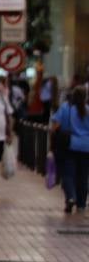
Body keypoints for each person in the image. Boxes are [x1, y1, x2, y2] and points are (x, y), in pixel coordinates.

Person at [51, 85, 89, 213]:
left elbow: (55, 124)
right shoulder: (87, 110)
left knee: (68, 174)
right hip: (86, 147)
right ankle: (82, 204)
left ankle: (71, 197)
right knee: (83, 176)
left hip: (69, 146)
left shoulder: (66, 108)